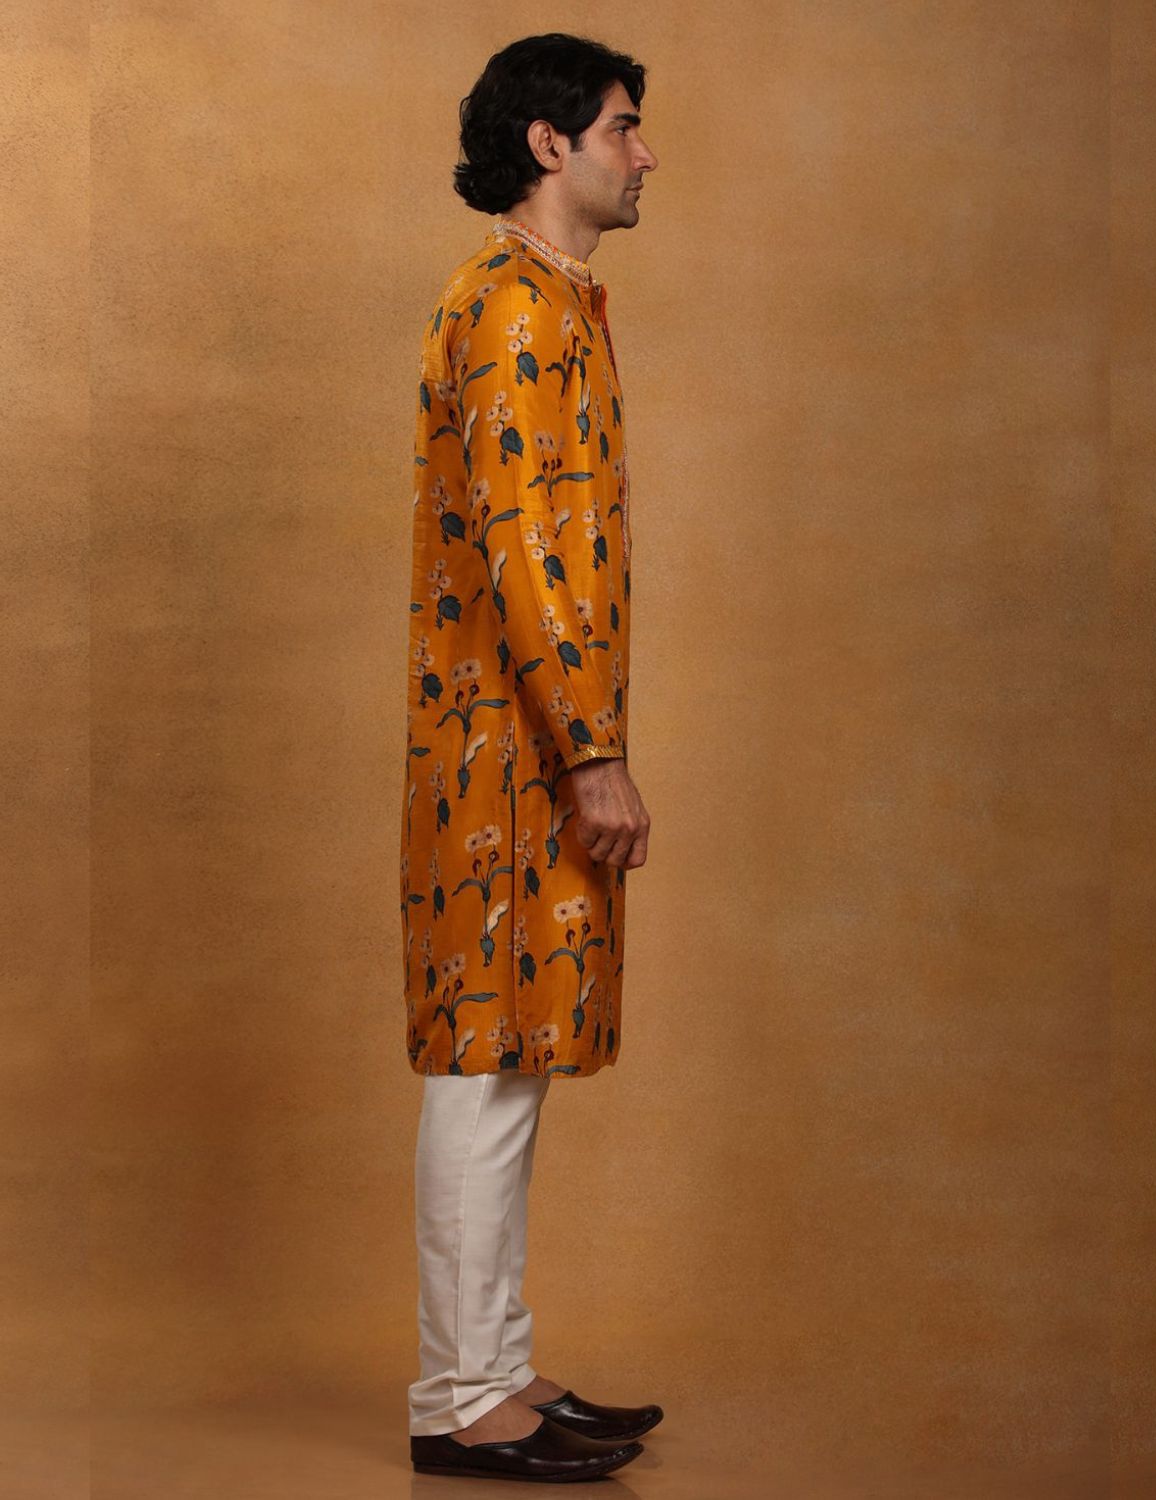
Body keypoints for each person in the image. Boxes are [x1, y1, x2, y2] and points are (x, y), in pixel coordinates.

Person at [400, 32, 662, 1485]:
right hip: (507, 752)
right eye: (623, 126)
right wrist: (593, 752)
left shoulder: (551, 298)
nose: (644, 153)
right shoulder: (508, 306)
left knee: (512, 1067)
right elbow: (522, 548)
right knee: (482, 1072)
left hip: (527, 741)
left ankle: (495, 1368)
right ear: (549, 144)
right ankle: (458, 1399)